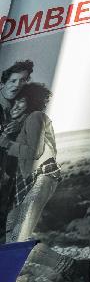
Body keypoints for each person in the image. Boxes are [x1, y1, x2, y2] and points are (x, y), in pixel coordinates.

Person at [0, 81, 90, 282]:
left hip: (42, 177)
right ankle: (74, 267)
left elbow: (34, 152)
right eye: (15, 101)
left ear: (31, 101)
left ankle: (74, 269)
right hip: (25, 186)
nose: (16, 105)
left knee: (15, 242)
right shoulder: (21, 123)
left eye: (22, 100)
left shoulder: (36, 118)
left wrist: (5, 143)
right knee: (11, 245)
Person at [0, 61, 33, 243]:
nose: (17, 85)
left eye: (23, 81)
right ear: (2, 84)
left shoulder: (13, 112)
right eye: (13, 80)